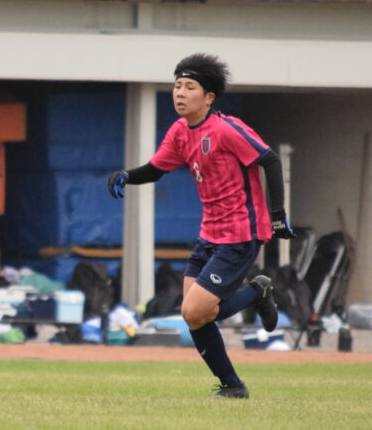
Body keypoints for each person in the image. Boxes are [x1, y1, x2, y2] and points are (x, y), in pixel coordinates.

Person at [106, 53, 294, 399]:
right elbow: (157, 168)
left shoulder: (226, 129)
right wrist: (127, 176)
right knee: (194, 315)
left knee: (195, 309)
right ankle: (233, 387)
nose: (180, 92)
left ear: (208, 97)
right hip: (210, 233)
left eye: (189, 86)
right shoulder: (180, 131)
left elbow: (269, 159)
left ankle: (257, 291)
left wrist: (278, 214)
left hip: (241, 233)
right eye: (177, 85)